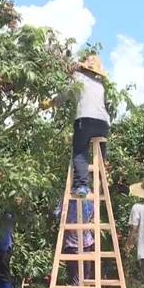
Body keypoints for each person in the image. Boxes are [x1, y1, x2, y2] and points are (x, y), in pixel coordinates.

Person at [52, 54, 110, 197]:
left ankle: (81, 185)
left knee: (79, 150)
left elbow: (64, 94)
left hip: (85, 119)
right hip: (103, 123)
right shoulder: (100, 85)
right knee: (100, 155)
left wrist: (51, 103)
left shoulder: (78, 78)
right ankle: (100, 180)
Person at [55, 198, 94, 285]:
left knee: (83, 273)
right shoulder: (68, 201)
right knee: (78, 274)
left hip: (82, 241)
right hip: (73, 242)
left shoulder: (86, 202)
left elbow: (57, 214)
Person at [0, 212, 16, 288]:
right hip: (1, 247)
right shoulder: (1, 221)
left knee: (3, 270)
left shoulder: (7, 219)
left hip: (5, 248)